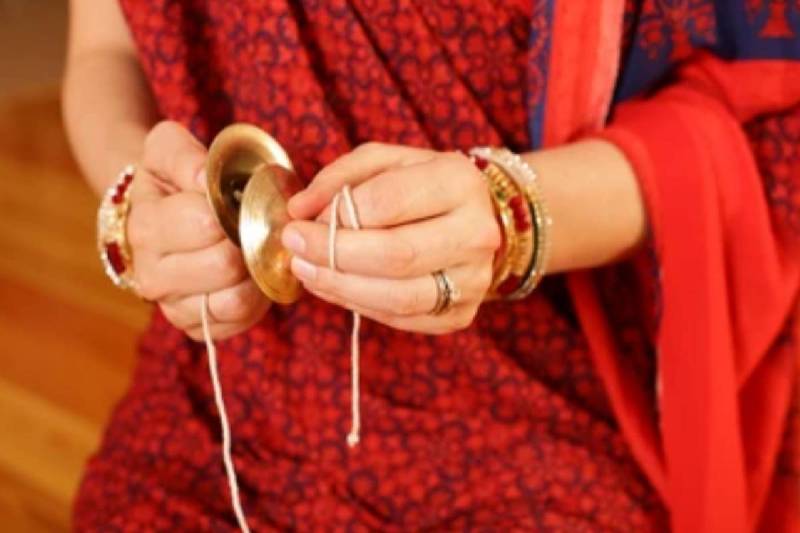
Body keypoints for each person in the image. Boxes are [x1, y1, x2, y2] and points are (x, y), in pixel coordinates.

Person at [63, 1, 799, 531]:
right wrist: (135, 205)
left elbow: (766, 110)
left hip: (530, 399)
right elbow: (105, 52)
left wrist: (514, 216)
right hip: (228, 401)